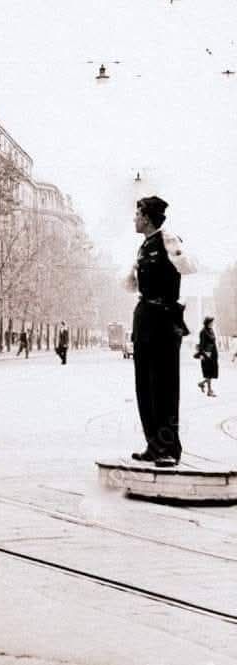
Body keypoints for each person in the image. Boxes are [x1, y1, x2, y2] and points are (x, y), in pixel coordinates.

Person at [128, 196, 196, 467]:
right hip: (144, 319)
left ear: (146, 217)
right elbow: (134, 286)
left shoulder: (169, 241)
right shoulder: (143, 247)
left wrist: (176, 249)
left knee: (165, 386)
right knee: (144, 386)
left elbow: (188, 270)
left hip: (164, 320)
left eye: (137, 214)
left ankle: (168, 449)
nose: (134, 219)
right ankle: (153, 445)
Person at [195, 316, 218, 397]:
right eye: (211, 322)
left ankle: (202, 384)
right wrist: (202, 355)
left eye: (212, 322)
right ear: (207, 323)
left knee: (211, 373)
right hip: (207, 355)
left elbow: (213, 342)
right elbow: (201, 344)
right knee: (208, 373)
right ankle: (209, 391)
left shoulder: (211, 330)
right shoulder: (203, 332)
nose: (212, 324)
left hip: (213, 354)